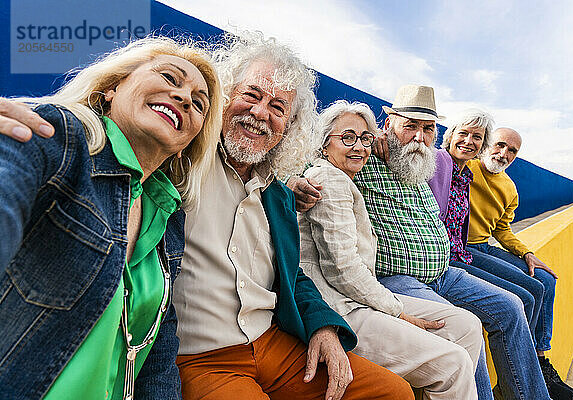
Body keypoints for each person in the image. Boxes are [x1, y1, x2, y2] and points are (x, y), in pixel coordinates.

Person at [0, 32, 415, 400]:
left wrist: (323, 325)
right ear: (225, 99)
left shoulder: (276, 193)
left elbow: (292, 275)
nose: (260, 113)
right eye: (251, 95)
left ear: (288, 126)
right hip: (203, 356)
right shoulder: (177, 165)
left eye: (278, 107)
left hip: (271, 341)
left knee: (392, 392)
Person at [289, 85, 552, 400]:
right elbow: (305, 162)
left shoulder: (425, 165)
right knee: (458, 336)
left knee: (511, 306)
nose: (419, 136)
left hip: (446, 271)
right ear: (388, 126)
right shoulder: (361, 159)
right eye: (410, 125)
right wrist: (293, 183)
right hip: (397, 278)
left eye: (428, 129)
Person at [0, 36, 223, 400]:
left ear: (187, 143)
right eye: (169, 77)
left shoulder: (168, 218)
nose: (184, 97)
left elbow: (158, 355)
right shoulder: (59, 137)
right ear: (111, 87)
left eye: (199, 103)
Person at [299, 100, 483, 399]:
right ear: (323, 145)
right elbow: (343, 270)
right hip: (342, 308)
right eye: (347, 138)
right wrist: (397, 312)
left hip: (361, 297)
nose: (358, 147)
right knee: (454, 364)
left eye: (365, 139)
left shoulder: (351, 175)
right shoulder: (328, 179)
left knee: (466, 325)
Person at [465, 127, 573, 399]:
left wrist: (526, 253)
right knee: (532, 292)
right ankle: (524, 370)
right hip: (464, 249)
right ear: (486, 143)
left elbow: (502, 229)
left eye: (512, 150)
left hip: (485, 245)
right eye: (500, 145)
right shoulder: (464, 167)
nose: (503, 154)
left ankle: (540, 358)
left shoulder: (509, 188)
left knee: (546, 280)